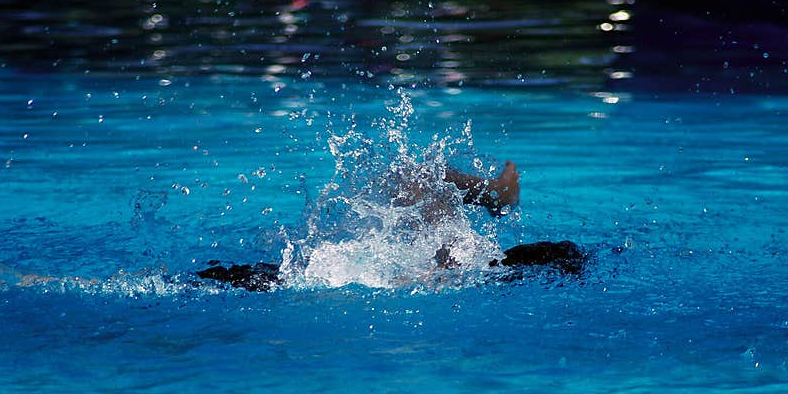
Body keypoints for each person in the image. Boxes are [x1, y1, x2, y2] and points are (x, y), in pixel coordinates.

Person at [196, 161, 588, 291]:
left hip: (353, 280)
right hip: (358, 280)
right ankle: (495, 196)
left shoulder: (461, 264)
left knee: (413, 174)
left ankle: (495, 195)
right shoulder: (473, 265)